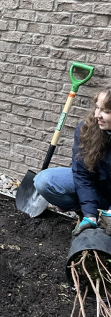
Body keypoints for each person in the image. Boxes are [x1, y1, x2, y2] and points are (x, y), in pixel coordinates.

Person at [34, 86, 111, 237]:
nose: (97, 115)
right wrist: (90, 213)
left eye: (106, 111)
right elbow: (82, 174)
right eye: (97, 108)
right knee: (44, 181)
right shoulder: (88, 129)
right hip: (97, 189)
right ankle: (89, 213)